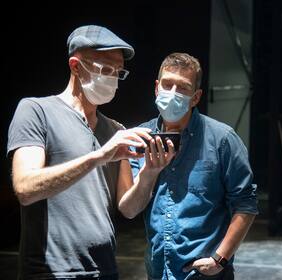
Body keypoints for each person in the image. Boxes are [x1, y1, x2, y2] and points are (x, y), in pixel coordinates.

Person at [7, 25, 173, 279]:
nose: (112, 78)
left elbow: (128, 208)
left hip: (103, 270)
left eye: (118, 72)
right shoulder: (36, 111)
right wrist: (99, 157)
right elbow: (25, 189)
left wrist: (150, 173)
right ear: (75, 66)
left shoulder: (115, 129)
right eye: (105, 69)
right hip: (51, 272)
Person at [126, 53, 258, 280]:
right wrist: (149, 171)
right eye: (167, 85)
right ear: (157, 88)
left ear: (196, 97)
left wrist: (220, 258)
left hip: (205, 273)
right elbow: (130, 209)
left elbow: (245, 205)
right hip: (158, 270)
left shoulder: (222, 139)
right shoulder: (140, 138)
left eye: (183, 88)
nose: (173, 93)